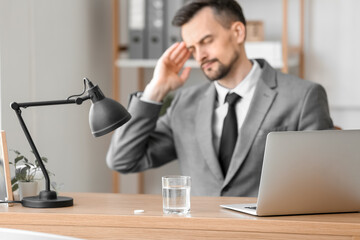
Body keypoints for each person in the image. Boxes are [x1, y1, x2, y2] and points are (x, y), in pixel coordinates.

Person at [106, 0, 333, 197]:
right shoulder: (184, 104)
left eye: (206, 41)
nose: (200, 56)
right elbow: (123, 160)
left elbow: (323, 184)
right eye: (192, 48)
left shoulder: (303, 97)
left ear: (238, 32)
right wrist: (155, 91)